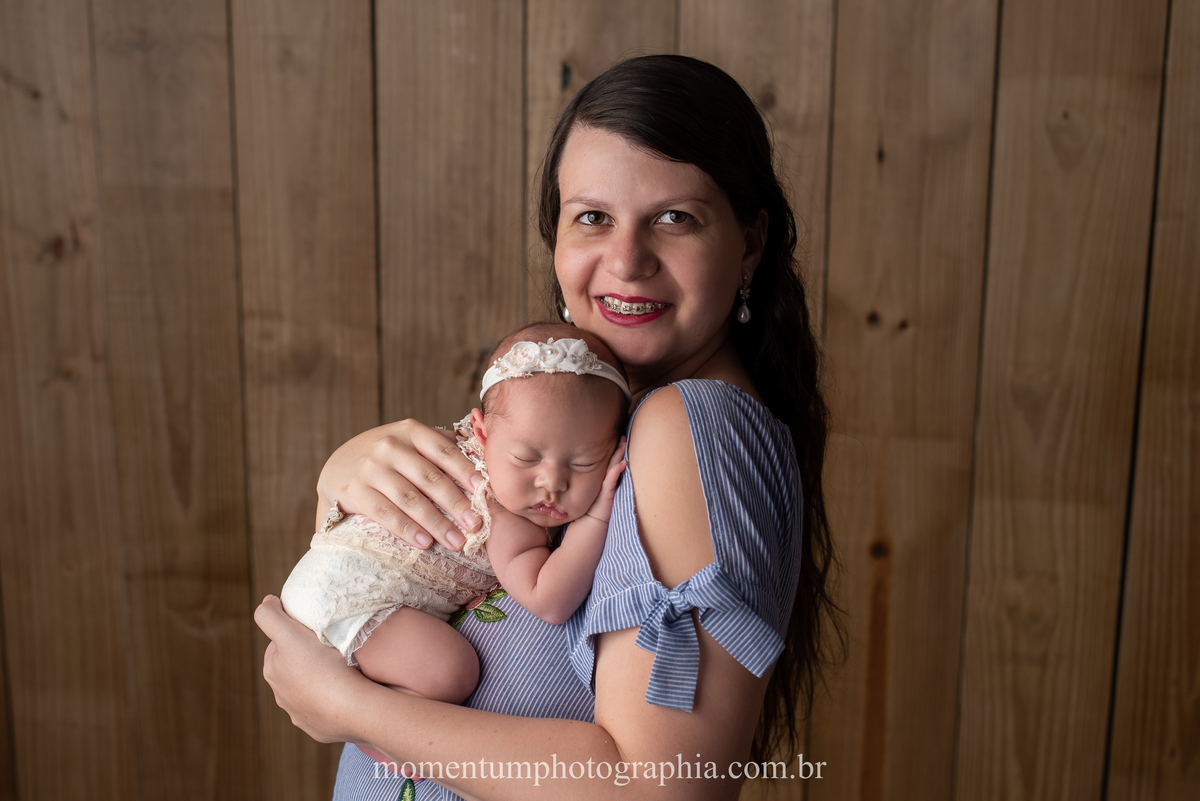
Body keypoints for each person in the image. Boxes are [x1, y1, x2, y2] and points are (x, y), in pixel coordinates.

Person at [255, 54, 838, 800]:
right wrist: (347, 480)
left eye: (675, 218)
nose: (626, 260)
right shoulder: (602, 434)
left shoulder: (688, 424)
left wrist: (349, 707)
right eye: (593, 217)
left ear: (750, 242)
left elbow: (658, 790)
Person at [278, 323, 629, 765]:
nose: (551, 483)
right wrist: (595, 517)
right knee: (451, 671)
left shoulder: (496, 455)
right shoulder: (501, 510)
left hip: (330, 577)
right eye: (526, 458)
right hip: (353, 594)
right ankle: (377, 730)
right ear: (480, 434)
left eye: (584, 462)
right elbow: (548, 599)